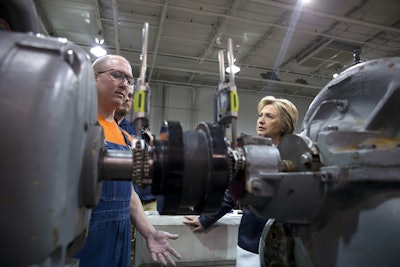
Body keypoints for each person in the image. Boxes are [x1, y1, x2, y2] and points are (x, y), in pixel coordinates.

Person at [75, 54, 182, 267]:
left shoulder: (126, 137)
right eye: (117, 75)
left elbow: (129, 194)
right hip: (83, 236)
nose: (125, 84)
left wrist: (149, 233)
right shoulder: (75, 124)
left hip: (120, 235)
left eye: (129, 80)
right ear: (92, 77)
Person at [183, 95, 298, 267]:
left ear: (284, 125)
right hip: (251, 241)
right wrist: (205, 219)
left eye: (270, 116)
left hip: (286, 242)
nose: (261, 120)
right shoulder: (252, 153)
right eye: (261, 115)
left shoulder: (297, 159)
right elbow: (232, 193)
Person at [114, 86, 158, 211]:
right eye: (124, 95)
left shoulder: (138, 130)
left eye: (130, 97)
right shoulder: (104, 127)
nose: (127, 100)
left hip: (147, 200)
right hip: (122, 200)